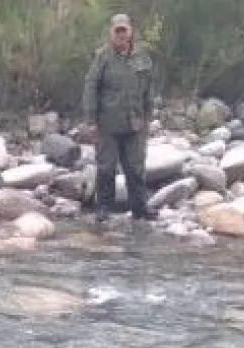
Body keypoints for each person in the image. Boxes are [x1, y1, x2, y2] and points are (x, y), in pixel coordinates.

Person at [82, 12, 156, 222]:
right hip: (107, 125)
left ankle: (140, 209)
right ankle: (104, 208)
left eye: (124, 31)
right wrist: (91, 120)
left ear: (130, 32)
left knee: (136, 168)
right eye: (117, 31)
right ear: (111, 33)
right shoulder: (102, 57)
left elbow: (149, 88)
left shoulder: (143, 59)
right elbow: (90, 87)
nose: (121, 35)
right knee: (106, 168)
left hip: (135, 124)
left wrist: (148, 116)